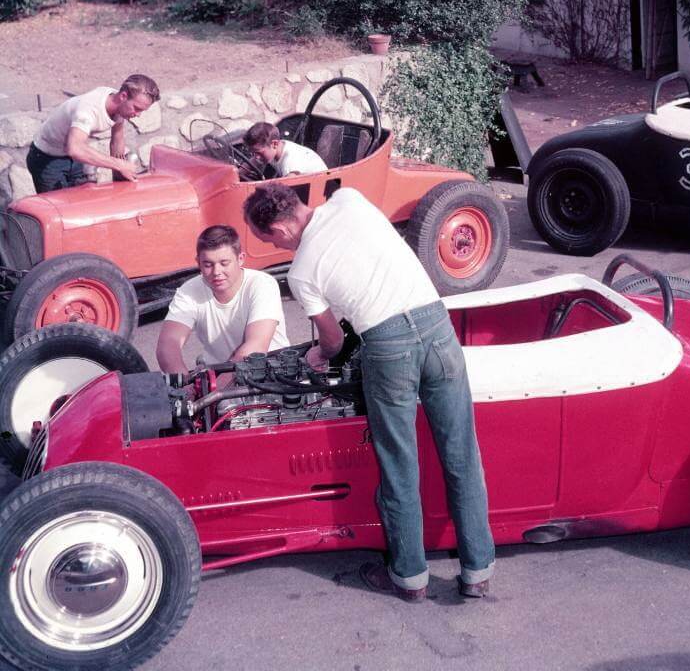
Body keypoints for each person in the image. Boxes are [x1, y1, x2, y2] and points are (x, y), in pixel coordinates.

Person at [243, 183, 494, 603]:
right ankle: (478, 572)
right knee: (461, 453)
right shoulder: (350, 199)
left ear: (281, 228)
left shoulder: (302, 270)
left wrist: (318, 356)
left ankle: (410, 577)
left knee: (399, 464)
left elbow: (332, 340)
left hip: (388, 345)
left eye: (269, 238)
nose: (276, 246)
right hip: (437, 328)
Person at [156, 225, 289, 372]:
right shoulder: (188, 291)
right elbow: (167, 346)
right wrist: (185, 386)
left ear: (240, 259)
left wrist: (223, 382)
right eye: (208, 265)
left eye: (224, 263)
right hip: (218, 380)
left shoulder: (262, 284)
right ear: (198, 262)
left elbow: (256, 346)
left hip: (271, 374)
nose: (216, 272)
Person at [27, 73, 160, 193]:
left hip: (73, 158)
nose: (138, 115)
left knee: (83, 205)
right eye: (136, 109)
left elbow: (117, 140)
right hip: (47, 158)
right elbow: (75, 148)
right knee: (61, 212)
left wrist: (120, 176)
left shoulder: (119, 105)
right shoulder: (88, 109)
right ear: (123, 96)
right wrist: (119, 164)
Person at [243, 121, 328, 177]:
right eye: (254, 153)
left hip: (318, 189)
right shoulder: (274, 149)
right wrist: (239, 174)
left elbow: (286, 190)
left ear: (274, 144)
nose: (256, 157)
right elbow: (253, 161)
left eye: (259, 153)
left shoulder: (290, 161)